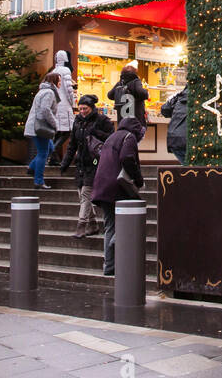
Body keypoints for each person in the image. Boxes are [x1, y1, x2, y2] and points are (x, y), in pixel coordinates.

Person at [90, 116, 146, 277]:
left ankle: (109, 266)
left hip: (102, 186)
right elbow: (127, 158)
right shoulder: (129, 138)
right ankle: (116, 245)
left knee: (109, 227)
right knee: (122, 225)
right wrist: (138, 179)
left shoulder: (112, 137)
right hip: (117, 188)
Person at [59, 94, 114, 237]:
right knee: (81, 194)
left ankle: (81, 225)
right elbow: (72, 144)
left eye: (85, 109)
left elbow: (111, 138)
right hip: (81, 163)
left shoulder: (101, 120)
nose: (82, 111)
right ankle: (93, 223)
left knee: (85, 194)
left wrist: (97, 132)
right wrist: (65, 162)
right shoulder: (77, 122)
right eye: (80, 109)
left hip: (95, 162)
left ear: (91, 108)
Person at [23, 72, 61, 190]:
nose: (60, 83)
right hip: (40, 128)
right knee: (43, 152)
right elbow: (45, 110)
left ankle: (32, 168)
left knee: (50, 148)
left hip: (36, 126)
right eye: (59, 81)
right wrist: (55, 124)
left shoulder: (44, 91)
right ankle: (38, 181)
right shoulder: (49, 92)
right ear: (54, 81)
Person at [46, 50, 76, 166]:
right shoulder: (66, 70)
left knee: (58, 132)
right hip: (65, 105)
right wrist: (73, 103)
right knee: (68, 131)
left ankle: (53, 157)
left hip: (56, 104)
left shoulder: (54, 71)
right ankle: (52, 151)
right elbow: (69, 89)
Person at [108, 61, 149, 126]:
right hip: (135, 120)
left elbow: (109, 95)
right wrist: (146, 92)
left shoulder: (120, 83)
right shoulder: (136, 81)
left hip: (122, 120)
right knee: (135, 135)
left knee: (125, 135)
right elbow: (142, 93)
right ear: (135, 72)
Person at [161, 89, 188, 164]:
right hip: (188, 140)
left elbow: (164, 110)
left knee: (189, 168)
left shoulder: (180, 96)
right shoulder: (201, 97)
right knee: (193, 169)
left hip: (174, 138)